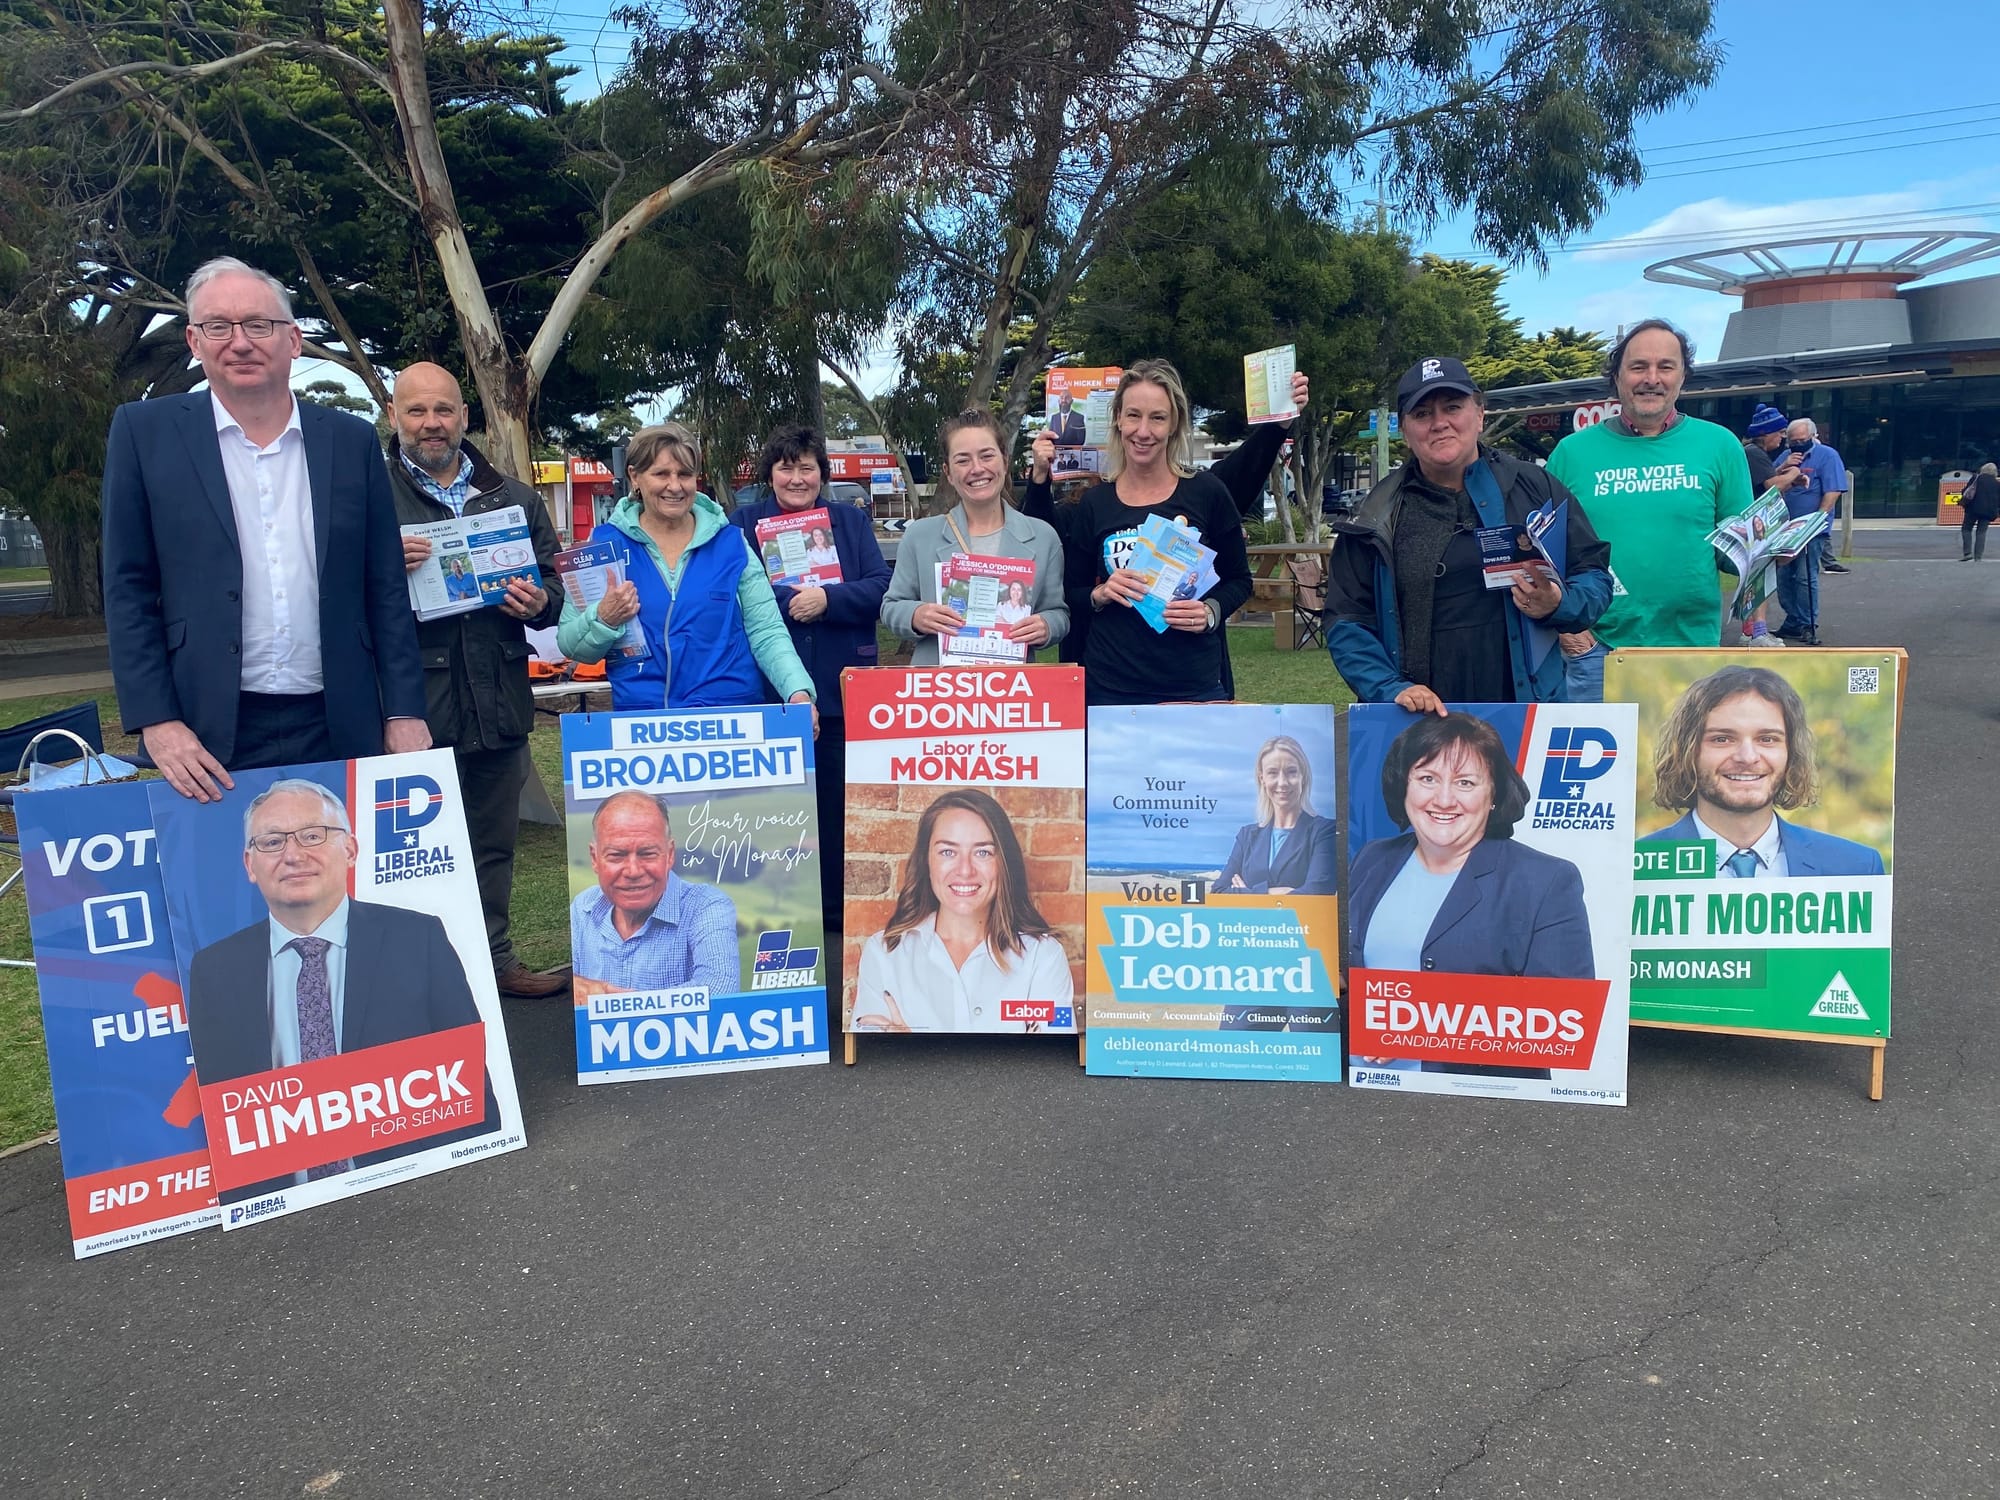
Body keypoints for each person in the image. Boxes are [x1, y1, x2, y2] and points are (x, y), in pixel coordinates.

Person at [102, 257, 430, 801]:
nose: (240, 342)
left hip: (339, 718)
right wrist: (156, 721)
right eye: (217, 326)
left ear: (294, 341)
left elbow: (385, 588)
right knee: (224, 881)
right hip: (205, 728)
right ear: (193, 340)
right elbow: (127, 587)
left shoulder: (350, 441)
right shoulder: (143, 433)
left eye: (259, 325)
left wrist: (403, 710)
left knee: (340, 879)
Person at [186, 778, 498, 1197]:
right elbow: (219, 1104)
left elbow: (469, 1082)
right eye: (272, 842)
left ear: (350, 850)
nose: (293, 855)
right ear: (249, 865)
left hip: (416, 1186)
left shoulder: (417, 937)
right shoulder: (214, 968)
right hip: (279, 1209)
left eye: (313, 836)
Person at [386, 361, 569, 1001]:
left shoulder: (514, 497)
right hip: (410, 710)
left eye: (443, 410)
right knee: (410, 858)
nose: (431, 423)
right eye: (417, 411)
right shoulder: (368, 498)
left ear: (465, 417)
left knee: (492, 844)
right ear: (394, 417)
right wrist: (381, 565)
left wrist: (537, 602)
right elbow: (328, 600)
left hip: (499, 700)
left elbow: (555, 587)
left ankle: (494, 962)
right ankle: (418, 985)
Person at [1327, 357, 1612, 710]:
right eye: (1422, 414)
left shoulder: (1535, 488)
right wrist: (1389, 687)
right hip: (1421, 723)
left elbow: (1594, 575)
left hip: (1526, 713)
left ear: (1479, 414)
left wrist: (1559, 603)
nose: (1439, 423)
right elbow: (1346, 620)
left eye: (1452, 407)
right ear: (1404, 429)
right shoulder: (1376, 512)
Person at [1349, 713, 1593, 1079]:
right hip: (1359, 1095)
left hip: (1479, 1104)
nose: (1444, 799)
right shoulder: (1373, 859)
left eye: (1465, 782)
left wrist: (1419, 1029)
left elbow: (1567, 1017)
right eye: (1427, 778)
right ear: (1404, 786)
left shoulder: (1546, 880)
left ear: (1494, 793)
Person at [729, 424, 893, 935]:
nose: (796, 478)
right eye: (786, 467)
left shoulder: (848, 521)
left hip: (843, 683)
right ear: (769, 474)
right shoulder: (743, 523)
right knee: (779, 805)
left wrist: (829, 599)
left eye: (806, 467)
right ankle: (784, 910)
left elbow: (881, 587)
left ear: (822, 472)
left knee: (839, 803)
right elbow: (737, 594)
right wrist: (792, 601)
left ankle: (839, 908)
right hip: (772, 687)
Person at [1020, 359, 1252, 706]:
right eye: (1133, 415)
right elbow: (1069, 593)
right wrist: (1100, 593)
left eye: (1157, 417)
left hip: (1194, 688)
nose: (1143, 431)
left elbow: (1239, 580)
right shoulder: (1096, 503)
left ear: (1174, 424)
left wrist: (1211, 611)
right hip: (1110, 690)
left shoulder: (1207, 492)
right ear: (1117, 419)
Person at [1545, 320, 1754, 701]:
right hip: (1597, 651)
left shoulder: (1720, 446)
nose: (1651, 378)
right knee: (1601, 761)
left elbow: (1736, 555)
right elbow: (1545, 555)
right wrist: (1569, 633)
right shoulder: (1571, 454)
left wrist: (1770, 553)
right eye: (1638, 366)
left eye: (1665, 366)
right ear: (1617, 377)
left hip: (1692, 648)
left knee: (1687, 760)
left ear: (1683, 376)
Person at [557, 423, 816, 723]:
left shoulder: (731, 543)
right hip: (643, 722)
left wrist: (798, 692)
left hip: (731, 718)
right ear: (634, 477)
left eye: (685, 474)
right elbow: (572, 645)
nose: (675, 486)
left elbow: (766, 631)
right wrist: (603, 618)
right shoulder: (602, 545)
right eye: (661, 474)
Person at [851, 790, 1072, 1033]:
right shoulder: (884, 953)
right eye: (948, 852)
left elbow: (1049, 1061)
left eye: (983, 852)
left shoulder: (1044, 957)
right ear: (927, 860)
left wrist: (915, 1051)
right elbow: (873, 1062)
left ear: (1003, 863)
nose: (965, 870)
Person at [1641, 665, 1886, 877]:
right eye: (1722, 739)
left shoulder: (1856, 867)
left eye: (1767, 739)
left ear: (1791, 751)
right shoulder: (1630, 867)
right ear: (1688, 750)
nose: (1747, 758)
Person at [880, 409, 1068, 666]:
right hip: (938, 691)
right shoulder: (920, 536)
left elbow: (1059, 612)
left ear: (1004, 460)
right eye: (963, 460)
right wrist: (916, 615)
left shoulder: (1043, 537)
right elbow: (890, 607)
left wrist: (1046, 626)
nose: (977, 469)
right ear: (948, 472)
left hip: (1014, 691)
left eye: (987, 456)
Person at [570, 791, 743, 996]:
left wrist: (612, 1005)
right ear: (594, 858)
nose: (633, 871)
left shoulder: (707, 906)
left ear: (670, 855)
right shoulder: (582, 908)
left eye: (647, 854)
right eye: (617, 855)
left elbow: (721, 988)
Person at [1216, 735, 1337, 895]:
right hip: (1246, 922)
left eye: (1291, 772)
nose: (1282, 782)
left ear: (1303, 776)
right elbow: (1218, 892)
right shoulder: (1246, 836)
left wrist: (1246, 893)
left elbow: (1318, 892)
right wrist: (1273, 893)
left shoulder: (1324, 831)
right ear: (1262, 779)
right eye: (1273, 773)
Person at [1736, 403, 1809, 648]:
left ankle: (1751, 630)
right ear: (1766, 433)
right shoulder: (1753, 453)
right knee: (1761, 576)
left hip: (1754, 524)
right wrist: (1793, 472)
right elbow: (1771, 485)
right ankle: (1757, 632)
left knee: (1755, 577)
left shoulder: (1753, 454)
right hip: (1756, 527)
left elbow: (1765, 479)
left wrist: (1787, 475)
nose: (1782, 439)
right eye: (1779, 433)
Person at [1773, 418, 1847, 645]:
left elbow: (1833, 490)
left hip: (1810, 527)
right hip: (1784, 527)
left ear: (1813, 437)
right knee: (1784, 576)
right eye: (1793, 442)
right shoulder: (1785, 456)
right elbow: (1770, 481)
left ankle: (1808, 623)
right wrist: (1784, 466)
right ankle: (1793, 620)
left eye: (1802, 441)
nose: (1797, 445)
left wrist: (1817, 519)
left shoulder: (1827, 456)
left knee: (1805, 577)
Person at [1962, 463, 2000, 560]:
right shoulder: (1996, 483)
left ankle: (1967, 553)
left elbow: (1966, 491)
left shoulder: (1976, 478)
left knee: (1966, 529)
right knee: (1981, 533)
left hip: (1972, 509)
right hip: (1988, 512)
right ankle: (1978, 557)